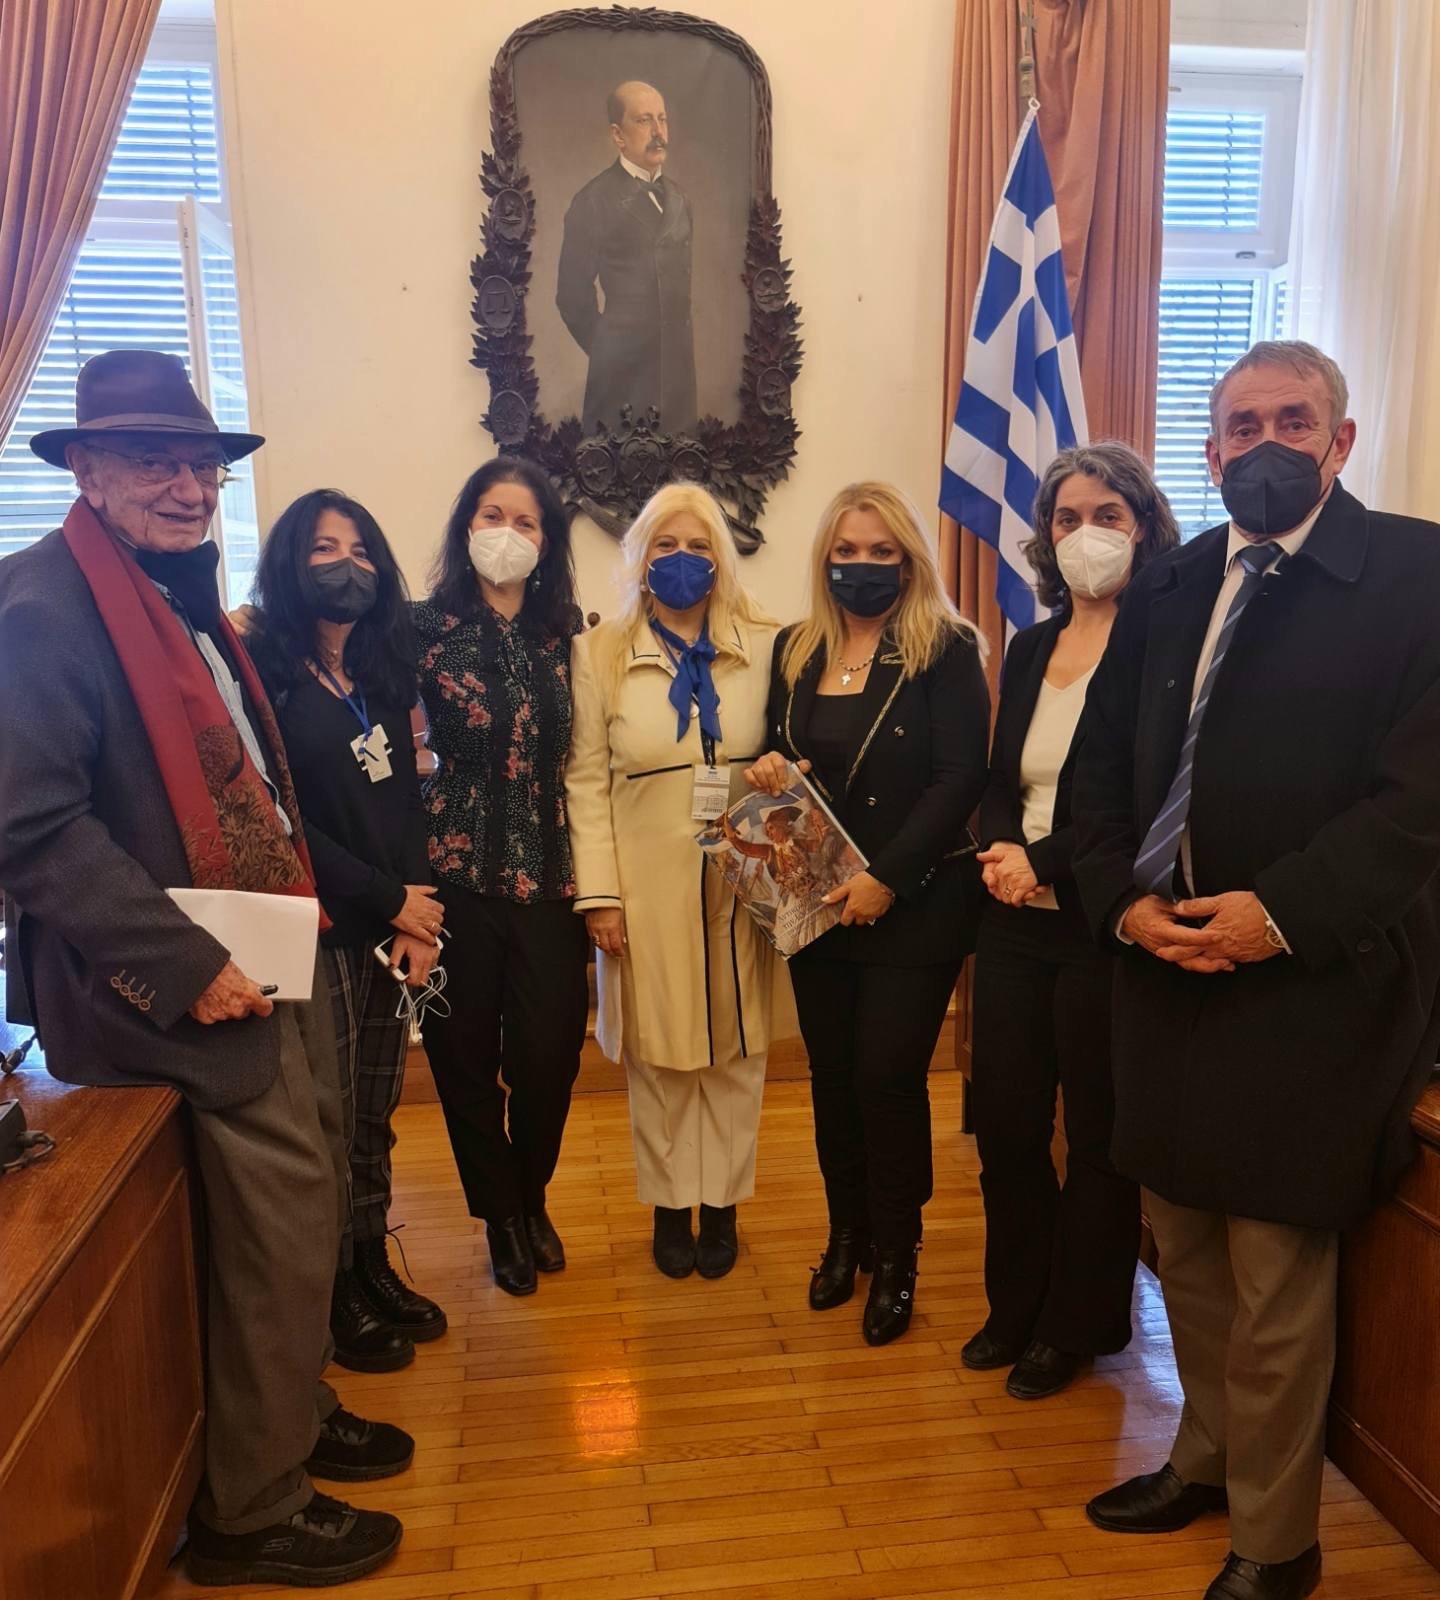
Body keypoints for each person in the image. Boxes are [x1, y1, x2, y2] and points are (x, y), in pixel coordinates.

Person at [0, 350, 407, 1587]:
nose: (186, 486)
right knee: (281, 1226)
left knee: (306, 1206)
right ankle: (254, 1505)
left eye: (200, 465)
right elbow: (31, 827)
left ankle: (288, 1414)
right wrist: (185, 964)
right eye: (152, 462)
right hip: (177, 985)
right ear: (85, 469)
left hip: (270, 949)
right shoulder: (41, 607)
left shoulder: (177, 591)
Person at [1072, 341, 1440, 1600]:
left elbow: (1418, 806)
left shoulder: (1419, 577)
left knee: (1276, 1268)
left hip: (1309, 982)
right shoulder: (1171, 583)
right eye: (1243, 424)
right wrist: (1125, 906)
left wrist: (1275, 916)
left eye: (1294, 420)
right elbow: (1098, 778)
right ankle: (1207, 1456)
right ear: (1211, 448)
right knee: (1181, 1243)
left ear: (1341, 441)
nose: (1266, 443)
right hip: (1163, 969)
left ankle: (1276, 1542)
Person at [745, 482, 990, 1345]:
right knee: (833, 1078)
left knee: (886, 1079)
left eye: (881, 552)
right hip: (819, 900)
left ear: (909, 561)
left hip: (913, 904)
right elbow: (779, 753)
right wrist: (770, 767)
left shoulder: (947, 648)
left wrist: (888, 876)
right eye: (846, 552)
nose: (862, 567)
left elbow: (960, 778)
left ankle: (897, 1254)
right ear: (826, 559)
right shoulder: (796, 647)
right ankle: (844, 1236)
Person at [965, 443, 1179, 1400]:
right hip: (1013, 922)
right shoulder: (1029, 646)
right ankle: (1014, 1305)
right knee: (1007, 1126)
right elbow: (1000, 778)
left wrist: (1044, 862)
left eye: (1107, 516)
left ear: (1143, 526)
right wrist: (1002, 851)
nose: (1085, 534)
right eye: (1066, 518)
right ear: (1045, 536)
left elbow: (1134, 798)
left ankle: (1075, 1326)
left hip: (1102, 922)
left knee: (1095, 1136)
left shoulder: (1162, 646)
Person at [245, 489, 448, 1371]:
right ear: (291, 563)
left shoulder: (379, 670)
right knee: (328, 1122)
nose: (346, 565)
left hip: (391, 926)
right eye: (324, 549)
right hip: (325, 930)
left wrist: (420, 913)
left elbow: (404, 801)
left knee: (374, 1112)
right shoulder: (264, 676)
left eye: (362, 550)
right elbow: (285, 822)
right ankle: (332, 1292)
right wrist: (387, 899)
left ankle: (369, 1263)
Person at [566, 482, 777, 1279]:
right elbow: (585, 780)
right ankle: (668, 1204)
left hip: (743, 879)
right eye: (664, 545)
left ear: (721, 557)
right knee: (660, 1053)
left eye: (697, 545)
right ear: (640, 556)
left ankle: (721, 1204)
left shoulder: (768, 644)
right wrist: (601, 896)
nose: (681, 559)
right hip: (644, 885)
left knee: (735, 1048)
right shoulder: (599, 653)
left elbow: (794, 747)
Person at [415, 457, 589, 1297]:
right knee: (463, 1060)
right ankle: (502, 1217)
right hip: (453, 877)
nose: (507, 534)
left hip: (553, 879)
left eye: (526, 522)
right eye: (493, 515)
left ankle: (533, 1192)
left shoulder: (568, 635)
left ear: (546, 541)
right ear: (466, 525)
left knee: (550, 1058)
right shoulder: (419, 629)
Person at [556, 79, 696, 436]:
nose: (658, 132)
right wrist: (610, 352)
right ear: (618, 135)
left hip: (677, 381)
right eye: (644, 120)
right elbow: (571, 296)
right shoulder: (593, 200)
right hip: (621, 384)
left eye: (662, 119)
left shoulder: (680, 199)